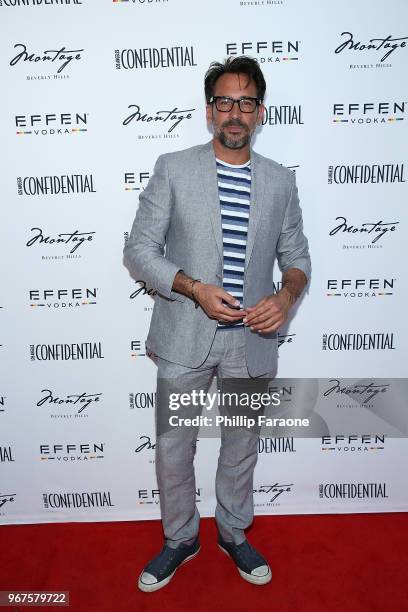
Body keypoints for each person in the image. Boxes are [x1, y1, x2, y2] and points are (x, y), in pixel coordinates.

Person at [123, 56, 311, 592]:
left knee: (241, 444)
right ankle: (180, 539)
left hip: (249, 344)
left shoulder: (279, 180)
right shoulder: (174, 167)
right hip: (185, 339)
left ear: (260, 112)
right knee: (174, 447)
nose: (235, 112)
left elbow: (296, 254)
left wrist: (287, 295)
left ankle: (233, 531)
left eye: (246, 102)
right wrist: (193, 288)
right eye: (224, 102)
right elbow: (138, 250)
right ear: (210, 112)